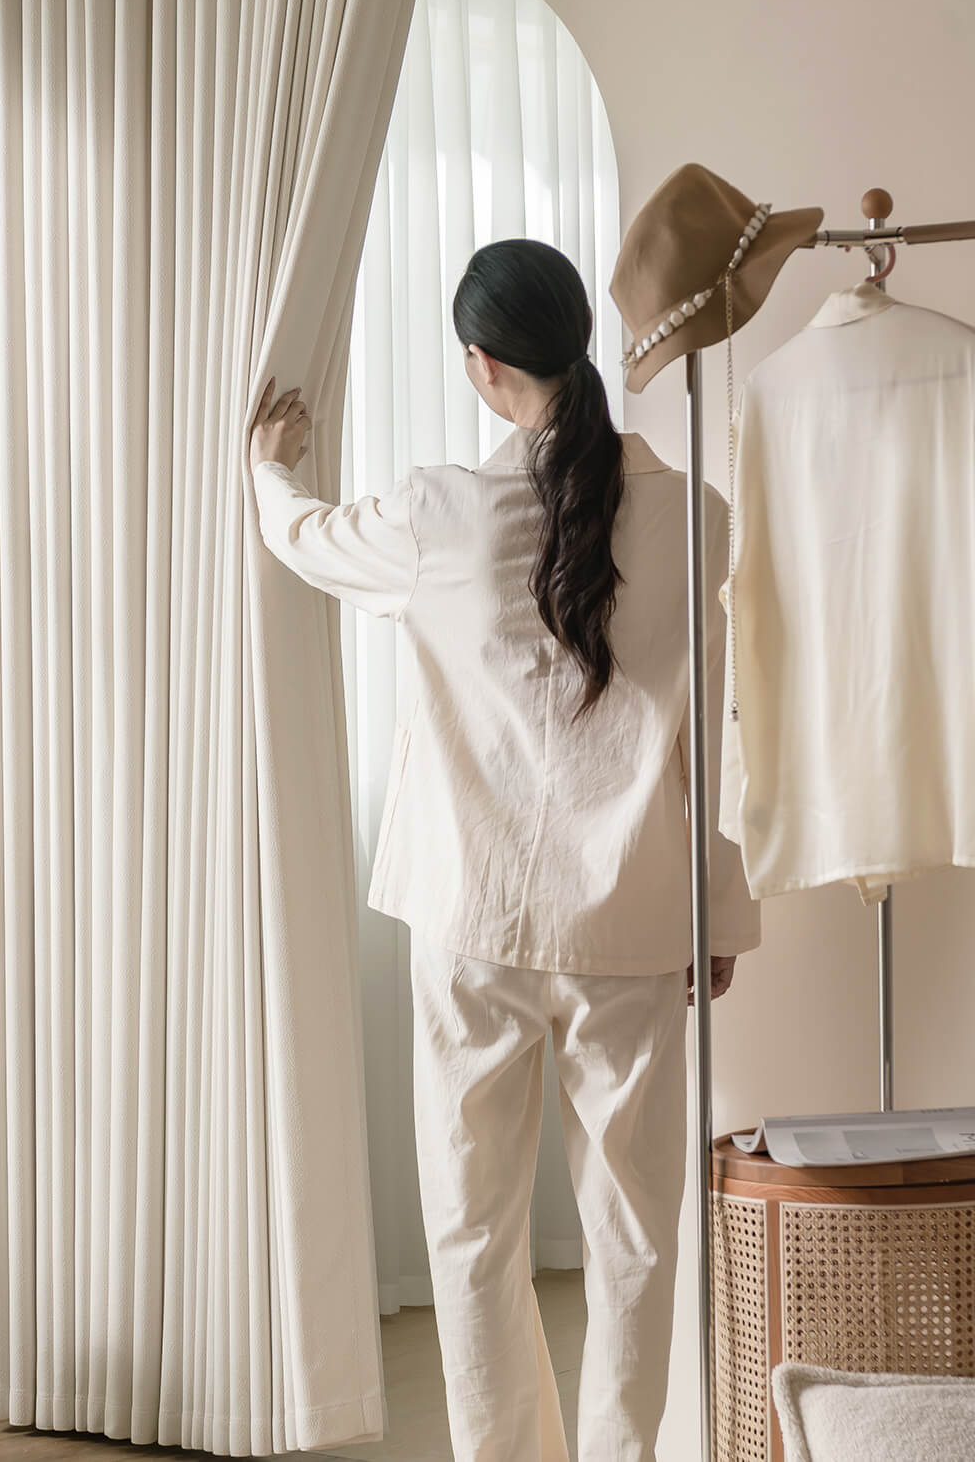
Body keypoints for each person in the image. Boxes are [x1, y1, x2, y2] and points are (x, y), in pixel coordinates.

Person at [247, 238, 760, 1462]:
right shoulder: (699, 517)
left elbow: (304, 538)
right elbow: (725, 724)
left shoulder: (437, 514)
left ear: (482, 368)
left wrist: (267, 469)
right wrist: (716, 906)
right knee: (634, 1238)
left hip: (471, 920)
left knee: (473, 1234)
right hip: (633, 920)